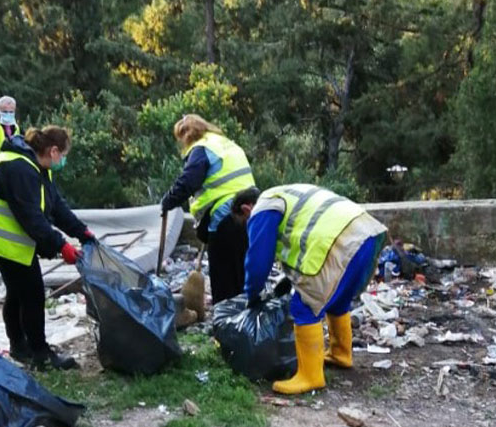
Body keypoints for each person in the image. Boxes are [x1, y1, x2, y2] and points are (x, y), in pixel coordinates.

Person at [231, 184, 387, 394]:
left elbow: (258, 261)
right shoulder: (285, 194)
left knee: (304, 304)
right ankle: (341, 354)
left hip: (336, 241)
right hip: (365, 232)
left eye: (244, 223)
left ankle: (310, 376)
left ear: (246, 209)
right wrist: (288, 279)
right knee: (338, 299)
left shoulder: (263, 208)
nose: (247, 227)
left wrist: (252, 293)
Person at [0, 125, 94, 370]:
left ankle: (20, 346)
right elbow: (32, 218)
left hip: (6, 239)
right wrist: (61, 246)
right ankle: (40, 353)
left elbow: (56, 206)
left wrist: (82, 232)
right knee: (32, 292)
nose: (64, 160)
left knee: (18, 291)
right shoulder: (19, 169)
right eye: (64, 154)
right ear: (54, 151)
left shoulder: (36, 167)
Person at [161, 114, 256, 305]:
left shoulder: (201, 149)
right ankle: (245, 318)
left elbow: (189, 181)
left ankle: (226, 323)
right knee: (241, 270)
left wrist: (168, 201)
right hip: (249, 214)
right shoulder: (226, 144)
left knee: (223, 276)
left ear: (187, 135)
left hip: (225, 217)